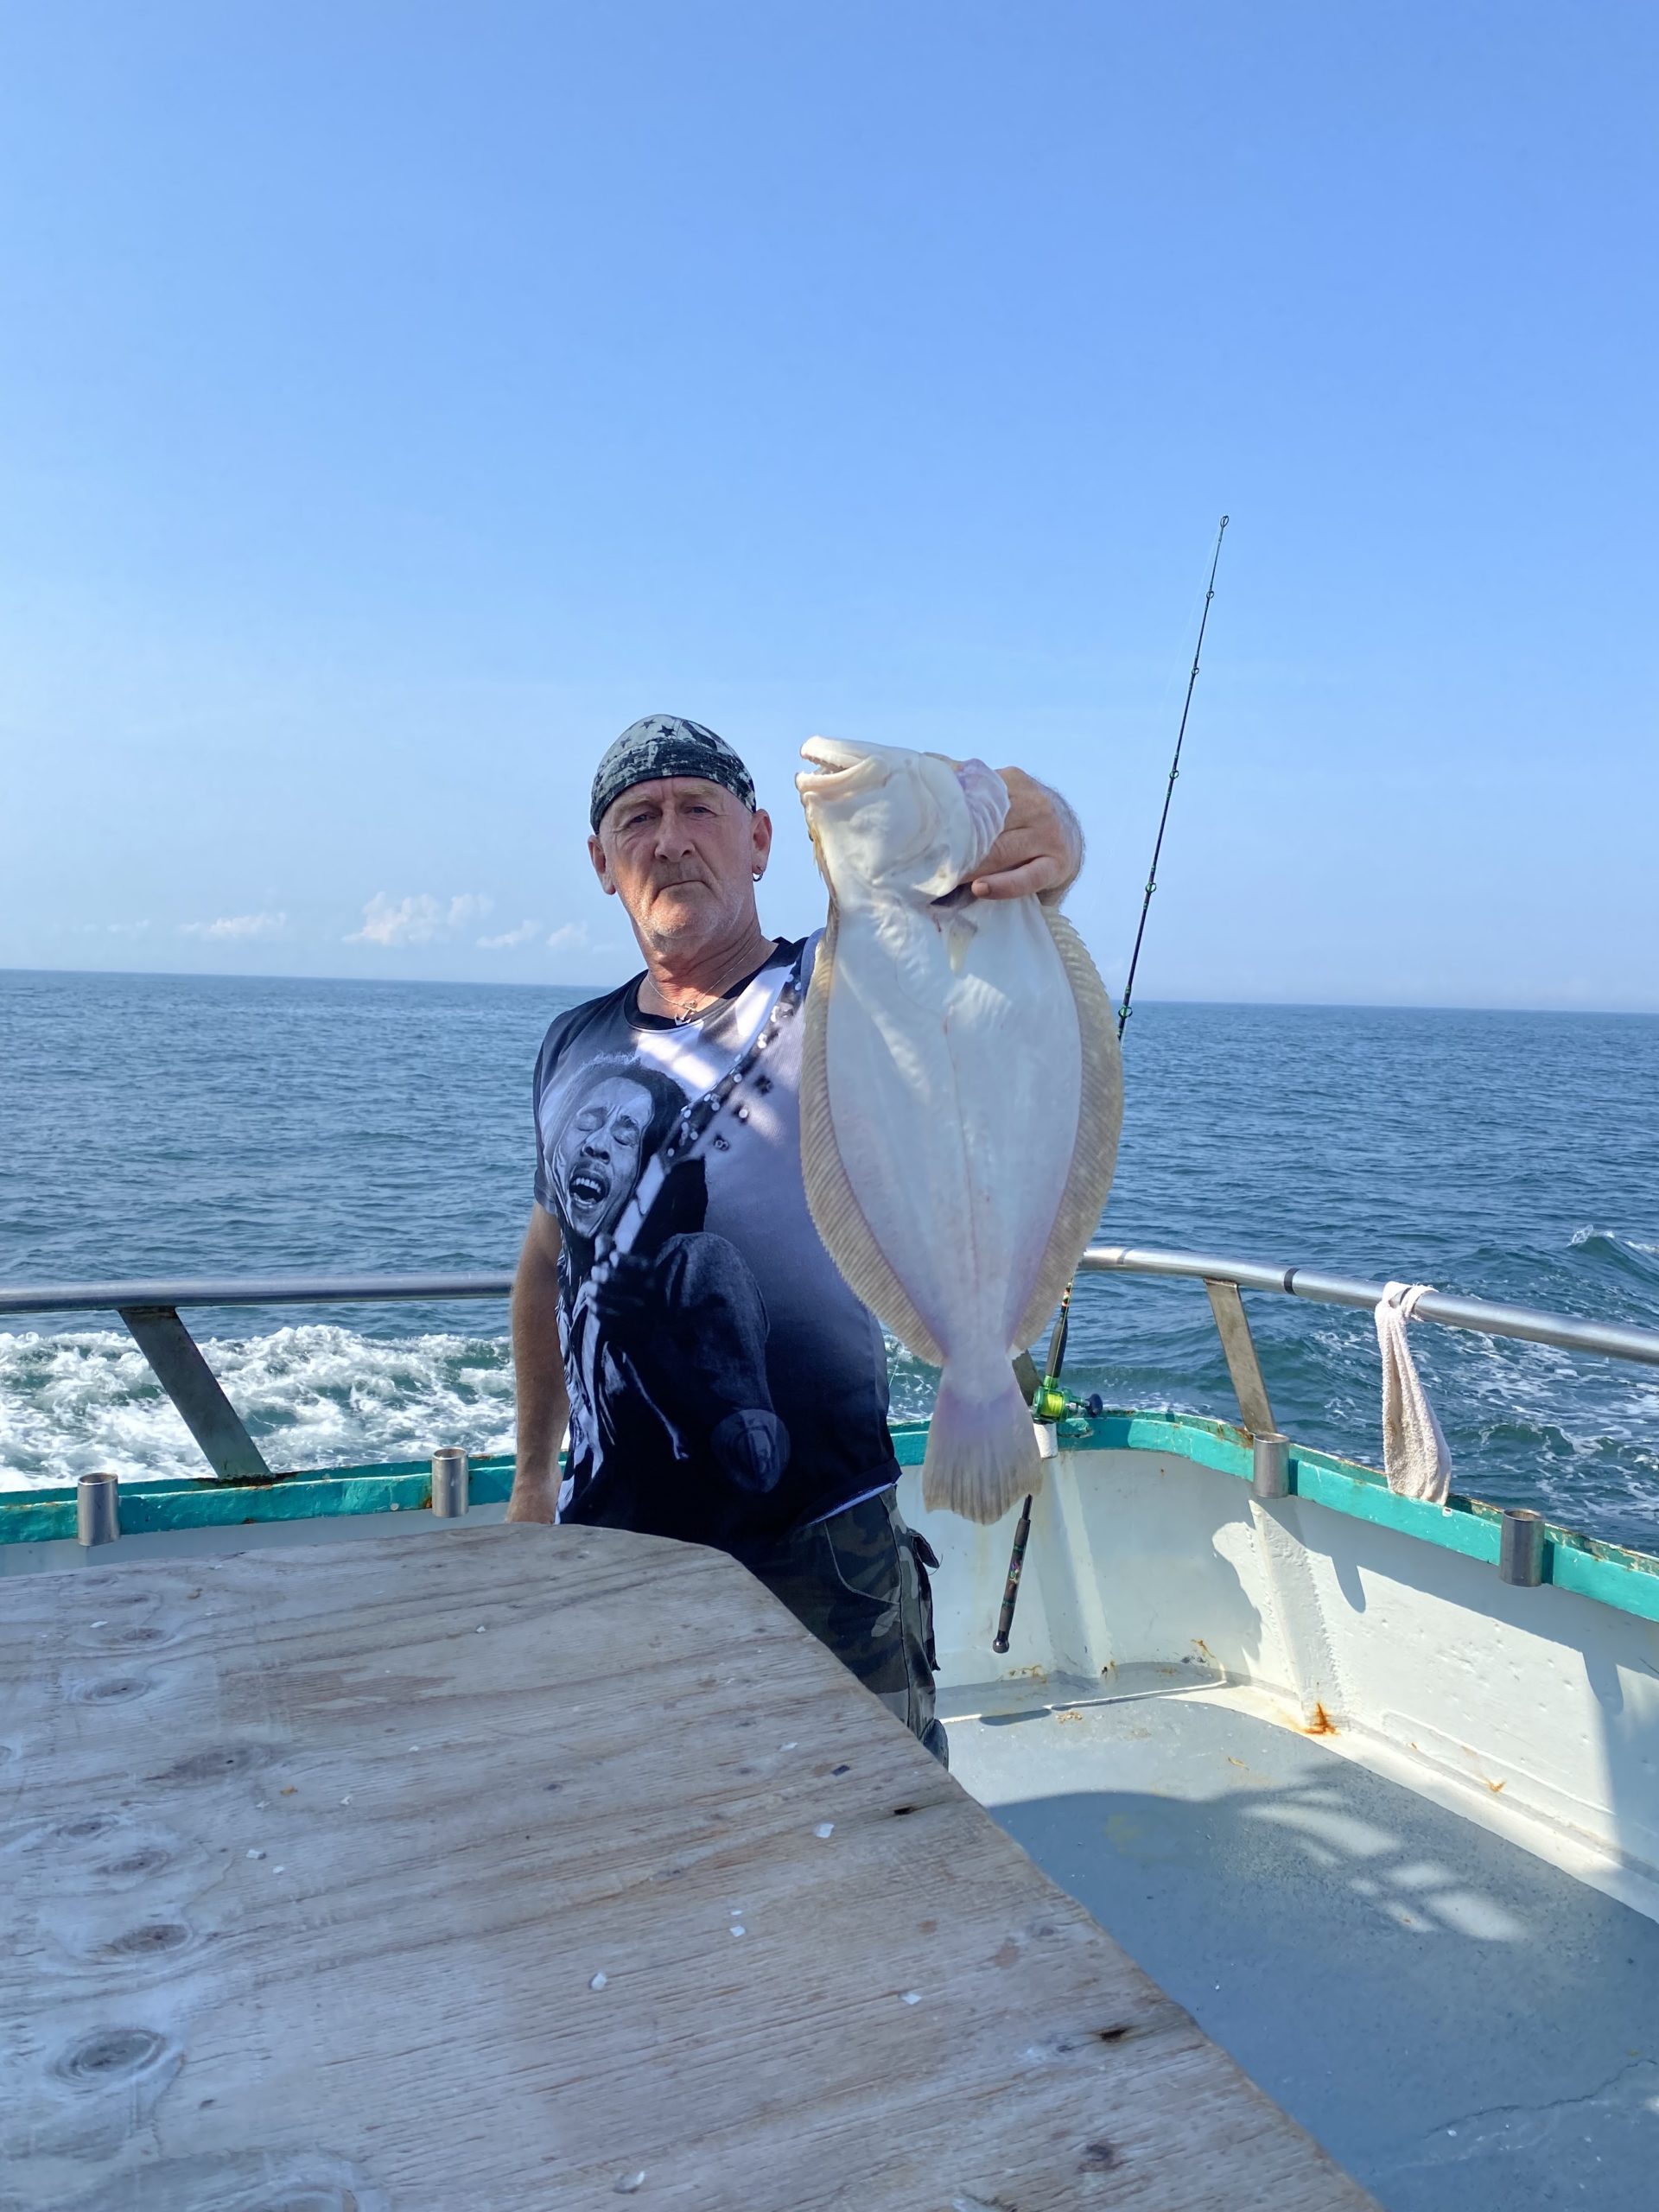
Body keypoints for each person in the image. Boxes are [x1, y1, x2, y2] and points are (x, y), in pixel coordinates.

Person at [508, 714, 1084, 1763]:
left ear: (763, 840)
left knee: (880, 1838)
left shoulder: (844, 980)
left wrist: (1036, 819)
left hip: (823, 1540)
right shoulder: (570, 1043)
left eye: (700, 809)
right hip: (614, 1536)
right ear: (602, 862)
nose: (671, 837)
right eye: (639, 817)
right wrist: (535, 1477)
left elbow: (976, 914)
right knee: (647, 1820)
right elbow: (551, 1263)